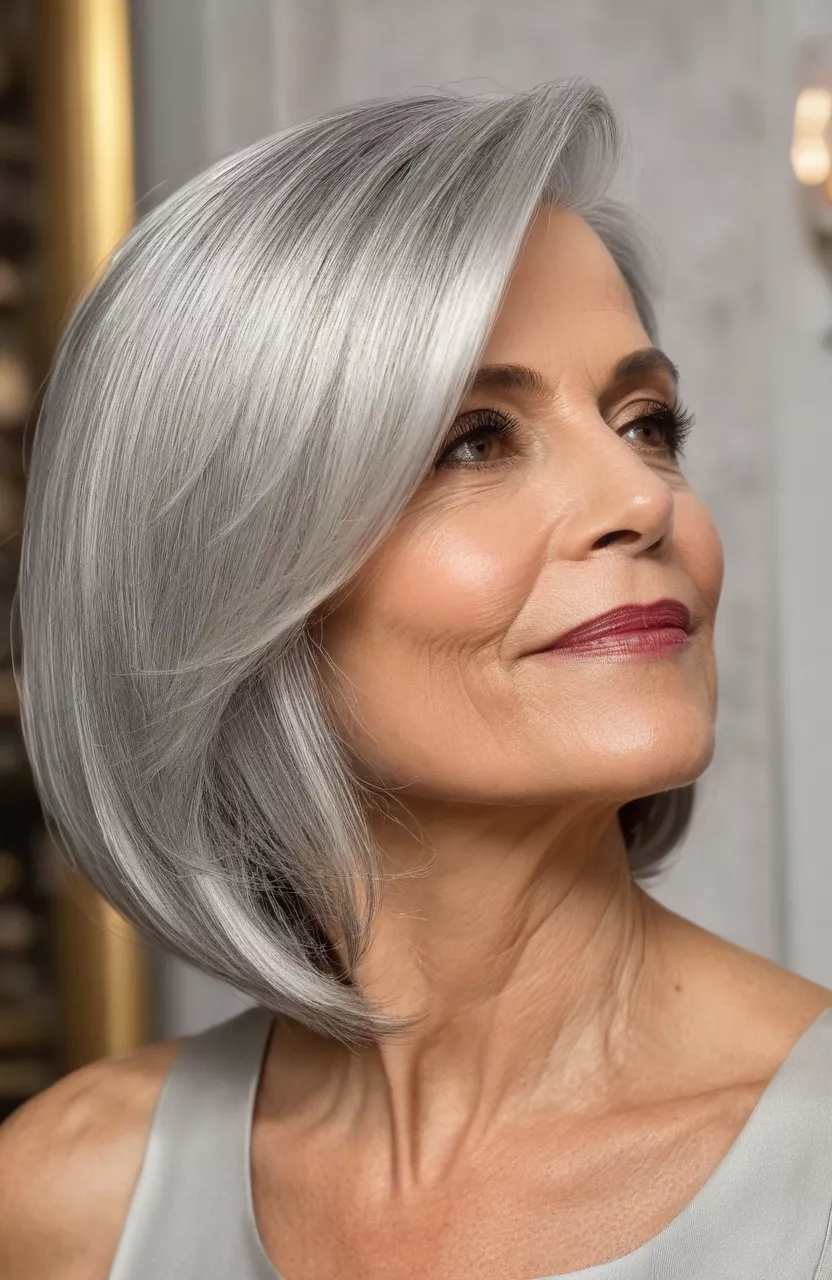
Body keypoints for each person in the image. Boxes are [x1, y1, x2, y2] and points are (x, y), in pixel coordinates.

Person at [1, 77, 831, 1280]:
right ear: (232, 575)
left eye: (645, 421)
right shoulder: (70, 1200)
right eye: (474, 439)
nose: (641, 498)